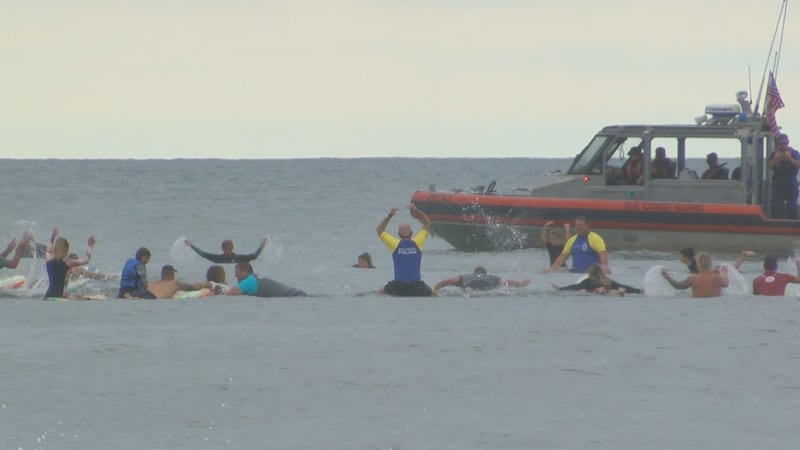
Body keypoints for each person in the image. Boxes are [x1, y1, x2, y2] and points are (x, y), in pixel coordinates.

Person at [376, 204, 436, 297]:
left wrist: (389, 216)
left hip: (398, 287)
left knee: (381, 291)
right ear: (411, 233)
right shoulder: (418, 242)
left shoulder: (394, 244)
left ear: (398, 234)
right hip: (416, 287)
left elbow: (379, 230)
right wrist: (416, 211)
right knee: (433, 292)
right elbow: (427, 223)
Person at [543, 216, 609, 274]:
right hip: (575, 273)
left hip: (592, 273)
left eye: (580, 225)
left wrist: (604, 266)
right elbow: (563, 256)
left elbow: (602, 253)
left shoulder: (595, 238)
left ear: (587, 225)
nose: (578, 227)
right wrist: (552, 269)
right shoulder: (572, 240)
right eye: (576, 225)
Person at [44, 234, 96, 299]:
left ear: (54, 249)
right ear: (66, 250)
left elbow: (48, 249)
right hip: (60, 297)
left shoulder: (48, 259)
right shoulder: (68, 262)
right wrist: (90, 245)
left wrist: (52, 237)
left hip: (48, 296)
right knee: (81, 298)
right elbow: (86, 260)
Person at [660, 252, 729, 297]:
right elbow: (726, 284)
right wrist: (724, 272)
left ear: (698, 264)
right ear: (710, 263)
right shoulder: (717, 278)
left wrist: (666, 276)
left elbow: (677, 286)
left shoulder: (692, 279)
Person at [226, 261, 306, 297]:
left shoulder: (248, 281)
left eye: (237, 272)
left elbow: (230, 293)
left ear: (244, 272)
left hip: (294, 296)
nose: (235, 275)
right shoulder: (255, 277)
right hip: (296, 293)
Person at [766, 133, 800, 219]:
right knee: (777, 207)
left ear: (788, 142)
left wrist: (789, 158)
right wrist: (776, 159)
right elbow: (769, 167)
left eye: (785, 143)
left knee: (792, 206)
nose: (783, 146)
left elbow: (798, 165)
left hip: (791, 183)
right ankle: (776, 227)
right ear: (778, 144)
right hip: (778, 184)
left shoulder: (794, 153)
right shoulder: (774, 154)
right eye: (781, 144)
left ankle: (792, 226)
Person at [552, 263, 641, 295]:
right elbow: (625, 286)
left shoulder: (588, 281)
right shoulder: (608, 280)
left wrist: (560, 288)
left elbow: (575, 286)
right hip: (608, 289)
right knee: (614, 290)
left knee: (598, 292)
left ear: (590, 273)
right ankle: (618, 292)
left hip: (597, 291)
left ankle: (600, 290)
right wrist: (638, 291)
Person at [128, 265, 210, 299]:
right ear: (173, 274)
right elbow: (194, 287)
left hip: (141, 296)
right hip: (155, 300)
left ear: (162, 274)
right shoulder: (175, 283)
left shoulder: (150, 284)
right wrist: (207, 284)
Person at [434, 266, 530, 292]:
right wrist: (520, 284)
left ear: (474, 273)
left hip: (470, 285)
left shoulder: (465, 276)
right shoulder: (492, 277)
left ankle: (468, 291)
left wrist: (434, 288)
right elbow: (506, 282)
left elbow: (446, 282)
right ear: (485, 273)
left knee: (468, 290)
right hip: (487, 285)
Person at [184, 238, 267, 263]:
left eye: (229, 249)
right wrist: (191, 245)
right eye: (226, 249)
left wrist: (261, 246)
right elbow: (202, 253)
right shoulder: (217, 258)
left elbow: (254, 256)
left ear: (232, 249)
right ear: (222, 249)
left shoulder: (239, 258)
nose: (228, 250)